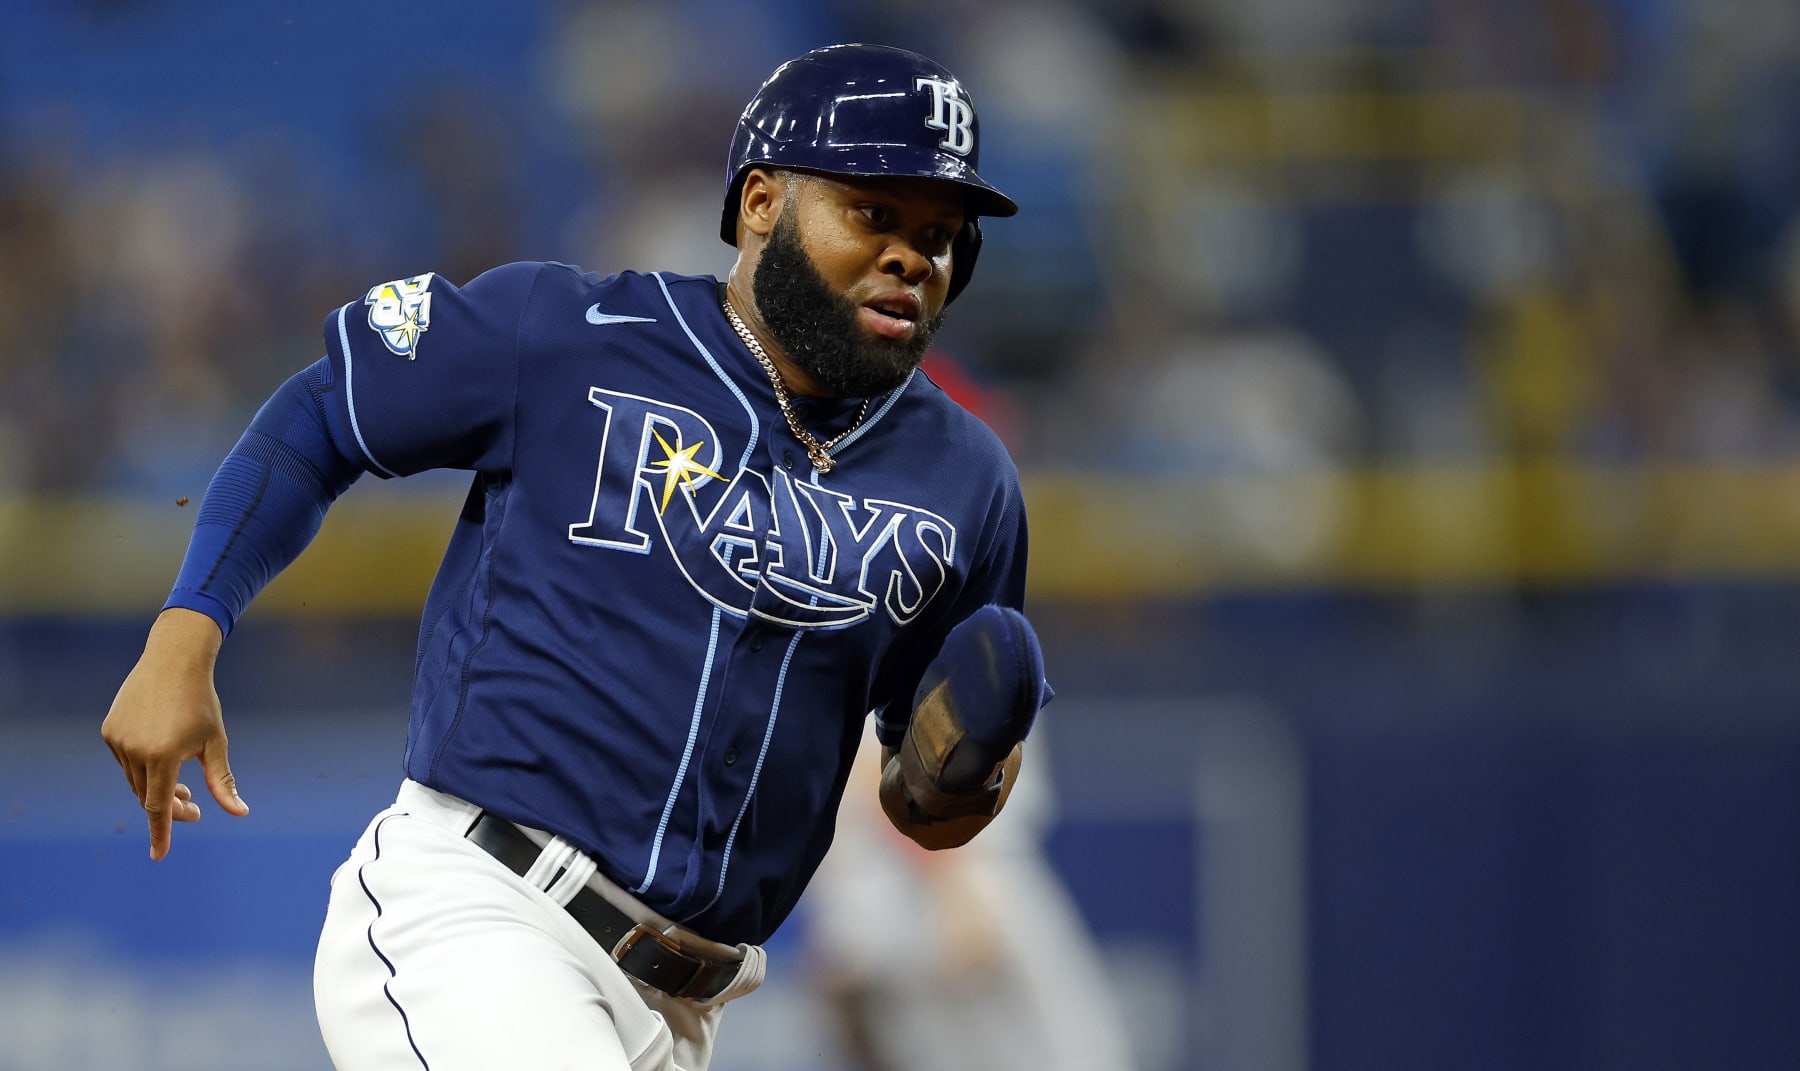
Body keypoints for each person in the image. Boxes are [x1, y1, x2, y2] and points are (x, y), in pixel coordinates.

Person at [100, 43, 1050, 1071]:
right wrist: (184, 632)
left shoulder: (967, 485)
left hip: (687, 1009)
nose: (915, 258)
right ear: (764, 202)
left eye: (942, 236)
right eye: (875, 215)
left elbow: (924, 803)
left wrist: (959, 783)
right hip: (480, 914)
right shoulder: (573, 333)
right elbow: (324, 413)